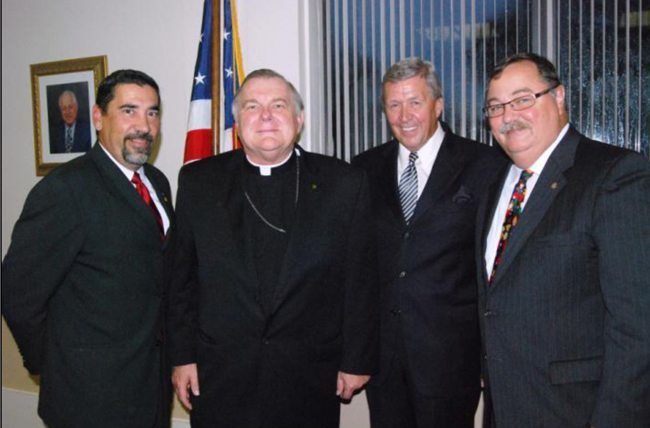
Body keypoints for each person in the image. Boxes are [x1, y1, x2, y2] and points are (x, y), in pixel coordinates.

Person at [167, 68, 378, 428]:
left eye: (278, 105)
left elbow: (361, 280)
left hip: (309, 374)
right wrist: (182, 356)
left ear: (298, 119)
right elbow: (180, 279)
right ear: (238, 122)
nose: (265, 116)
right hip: (221, 374)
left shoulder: (344, 183)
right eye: (252, 106)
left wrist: (356, 360)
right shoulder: (198, 181)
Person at [478, 52, 650, 427]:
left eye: (523, 99)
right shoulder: (495, 188)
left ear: (558, 98)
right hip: (505, 409)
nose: (508, 116)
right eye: (495, 107)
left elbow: (638, 328)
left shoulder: (614, 175)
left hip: (576, 412)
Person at [2, 69, 174, 428]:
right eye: (129, 111)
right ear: (98, 117)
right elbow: (17, 292)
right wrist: (51, 363)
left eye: (152, 112)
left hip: (150, 388)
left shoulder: (157, 182)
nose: (144, 125)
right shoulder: (64, 191)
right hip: (89, 400)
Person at [351, 57, 505, 427]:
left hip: (451, 358)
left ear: (438, 105)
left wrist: (490, 357)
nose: (405, 115)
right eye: (394, 104)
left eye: (415, 102)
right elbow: (356, 265)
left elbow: (497, 269)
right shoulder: (363, 168)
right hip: (384, 361)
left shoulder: (484, 165)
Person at [49, 89, 92, 153]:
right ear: (60, 111)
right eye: (64, 108)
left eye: (70, 107)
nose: (67, 112)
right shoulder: (54, 134)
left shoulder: (87, 131)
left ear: (76, 108)